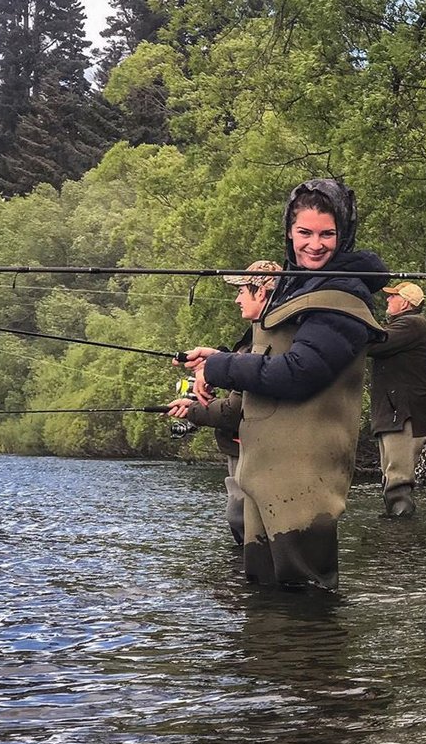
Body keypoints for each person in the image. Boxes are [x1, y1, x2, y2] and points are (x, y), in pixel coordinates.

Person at [182, 179, 387, 591]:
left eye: (327, 234)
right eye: (304, 233)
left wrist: (222, 367)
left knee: (303, 603)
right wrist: (218, 359)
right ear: (289, 232)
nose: (315, 244)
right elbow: (272, 360)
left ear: (343, 235)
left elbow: (297, 373)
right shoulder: (299, 287)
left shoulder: (342, 298)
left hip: (303, 485)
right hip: (265, 475)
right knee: (264, 598)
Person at [166, 260, 282, 545]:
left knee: (242, 520)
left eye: (242, 291)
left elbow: (236, 410)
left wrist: (192, 410)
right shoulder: (257, 336)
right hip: (248, 450)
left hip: (254, 451)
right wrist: (216, 358)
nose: (237, 298)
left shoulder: (270, 339)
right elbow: (245, 370)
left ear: (262, 294)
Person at [367, 281, 426, 517]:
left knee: (398, 482)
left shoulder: (412, 324)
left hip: (403, 414)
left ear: (405, 302)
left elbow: (374, 344)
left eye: (393, 297)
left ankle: (401, 543)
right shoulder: (407, 325)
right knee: (392, 479)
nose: (388, 300)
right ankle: (396, 538)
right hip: (396, 412)